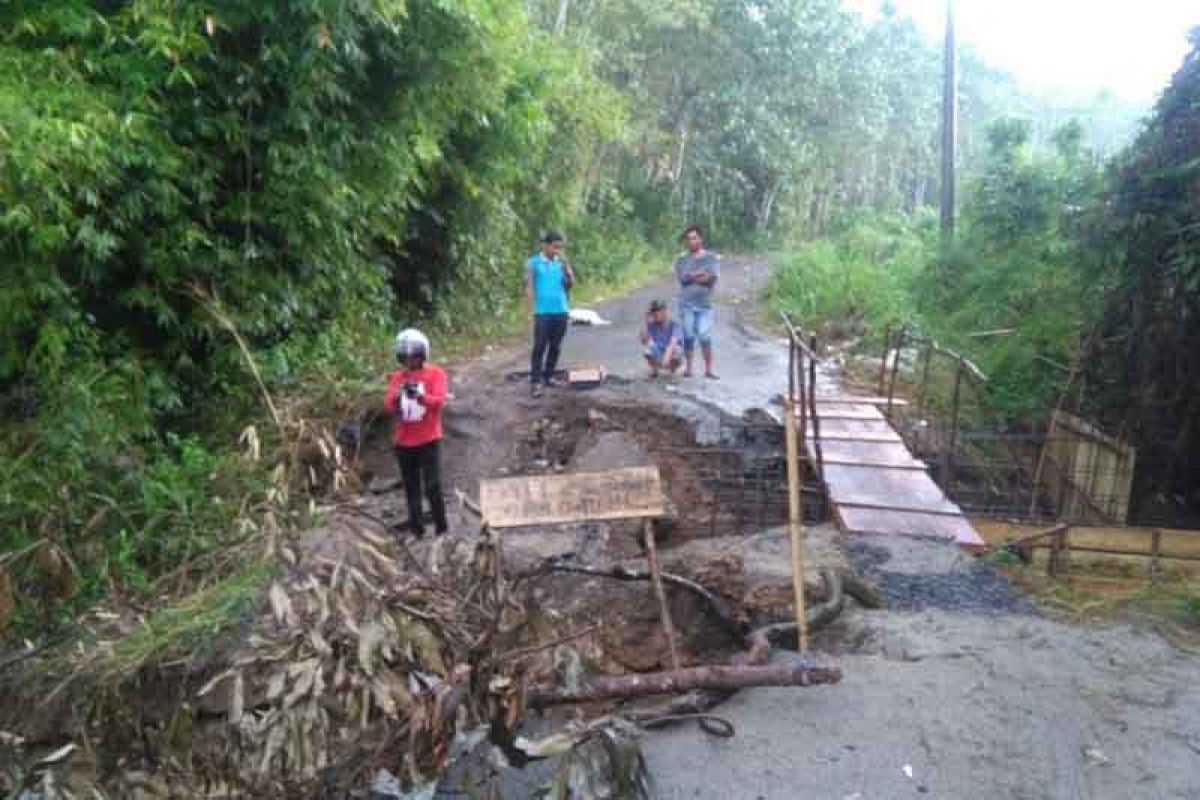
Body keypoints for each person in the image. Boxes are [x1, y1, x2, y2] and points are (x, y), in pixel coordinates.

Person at [384, 328, 449, 537]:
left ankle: (441, 527)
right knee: (412, 488)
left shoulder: (436, 374)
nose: (410, 360)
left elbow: (439, 402)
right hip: (404, 442)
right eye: (406, 356)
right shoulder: (397, 377)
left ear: (422, 355)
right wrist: (397, 396)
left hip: (429, 438)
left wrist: (421, 397)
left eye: (414, 355)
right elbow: (387, 405)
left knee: (433, 485)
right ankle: (417, 529)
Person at [525, 230, 576, 397]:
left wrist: (567, 271)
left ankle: (548, 376)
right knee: (539, 346)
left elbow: (570, 285)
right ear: (545, 245)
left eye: (560, 248)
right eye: (555, 247)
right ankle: (535, 382)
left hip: (560, 310)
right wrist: (529, 311)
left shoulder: (561, 262)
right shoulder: (533, 263)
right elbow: (530, 288)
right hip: (542, 311)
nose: (557, 251)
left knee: (556, 346)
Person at [673, 225, 720, 379]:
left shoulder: (711, 258)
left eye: (694, 238)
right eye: (688, 239)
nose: (691, 242)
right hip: (686, 304)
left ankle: (709, 369)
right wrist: (700, 274)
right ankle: (689, 369)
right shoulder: (682, 259)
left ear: (700, 239)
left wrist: (692, 276)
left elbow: (711, 278)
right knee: (688, 337)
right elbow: (683, 279)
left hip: (704, 304)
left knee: (705, 336)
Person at [640, 299, 683, 378]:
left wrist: (666, 357)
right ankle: (654, 369)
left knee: (677, 350)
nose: (655, 313)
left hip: (670, 352)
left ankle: (672, 370)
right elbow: (644, 340)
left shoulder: (674, 326)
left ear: (664, 311)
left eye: (658, 310)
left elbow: (672, 344)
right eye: (654, 311)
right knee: (648, 349)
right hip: (658, 351)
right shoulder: (651, 326)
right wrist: (645, 321)